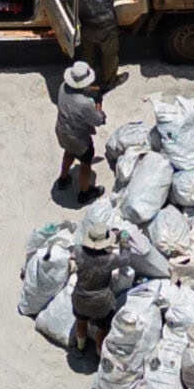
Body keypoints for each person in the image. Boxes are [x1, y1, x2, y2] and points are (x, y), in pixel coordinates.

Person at [70, 220, 129, 356]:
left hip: (80, 298)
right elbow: (126, 259)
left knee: (81, 321)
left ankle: (80, 348)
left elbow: (74, 257)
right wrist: (124, 241)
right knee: (102, 329)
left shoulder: (79, 251)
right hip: (101, 303)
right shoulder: (109, 259)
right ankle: (98, 354)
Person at [71, 0, 124, 94]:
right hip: (106, 28)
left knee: (87, 53)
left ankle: (86, 78)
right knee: (109, 55)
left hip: (86, 26)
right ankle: (110, 81)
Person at [55, 61, 106, 202]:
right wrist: (98, 102)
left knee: (68, 151)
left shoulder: (62, 88)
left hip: (62, 130)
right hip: (78, 139)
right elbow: (98, 120)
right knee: (85, 162)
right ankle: (85, 192)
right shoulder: (85, 104)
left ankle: (63, 179)